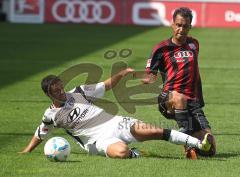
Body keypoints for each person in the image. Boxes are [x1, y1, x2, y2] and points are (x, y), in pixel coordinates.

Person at [20, 68, 212, 158]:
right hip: (96, 141)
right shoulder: (50, 115)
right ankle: (135, 153)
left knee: (156, 131)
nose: (60, 91)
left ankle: (198, 144)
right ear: (48, 94)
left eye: (60, 87)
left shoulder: (79, 91)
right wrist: (27, 150)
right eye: (55, 90)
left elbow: (106, 85)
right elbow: (41, 133)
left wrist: (122, 73)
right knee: (121, 152)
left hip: (114, 122)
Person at [142, 7, 216, 158]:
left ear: (190, 26)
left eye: (185, 26)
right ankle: (187, 144)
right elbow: (150, 73)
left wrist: (198, 99)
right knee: (179, 98)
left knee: (210, 148)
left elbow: (193, 70)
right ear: (172, 24)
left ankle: (195, 142)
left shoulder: (194, 44)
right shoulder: (161, 48)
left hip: (192, 102)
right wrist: (148, 79)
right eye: (178, 25)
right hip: (168, 99)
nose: (181, 29)